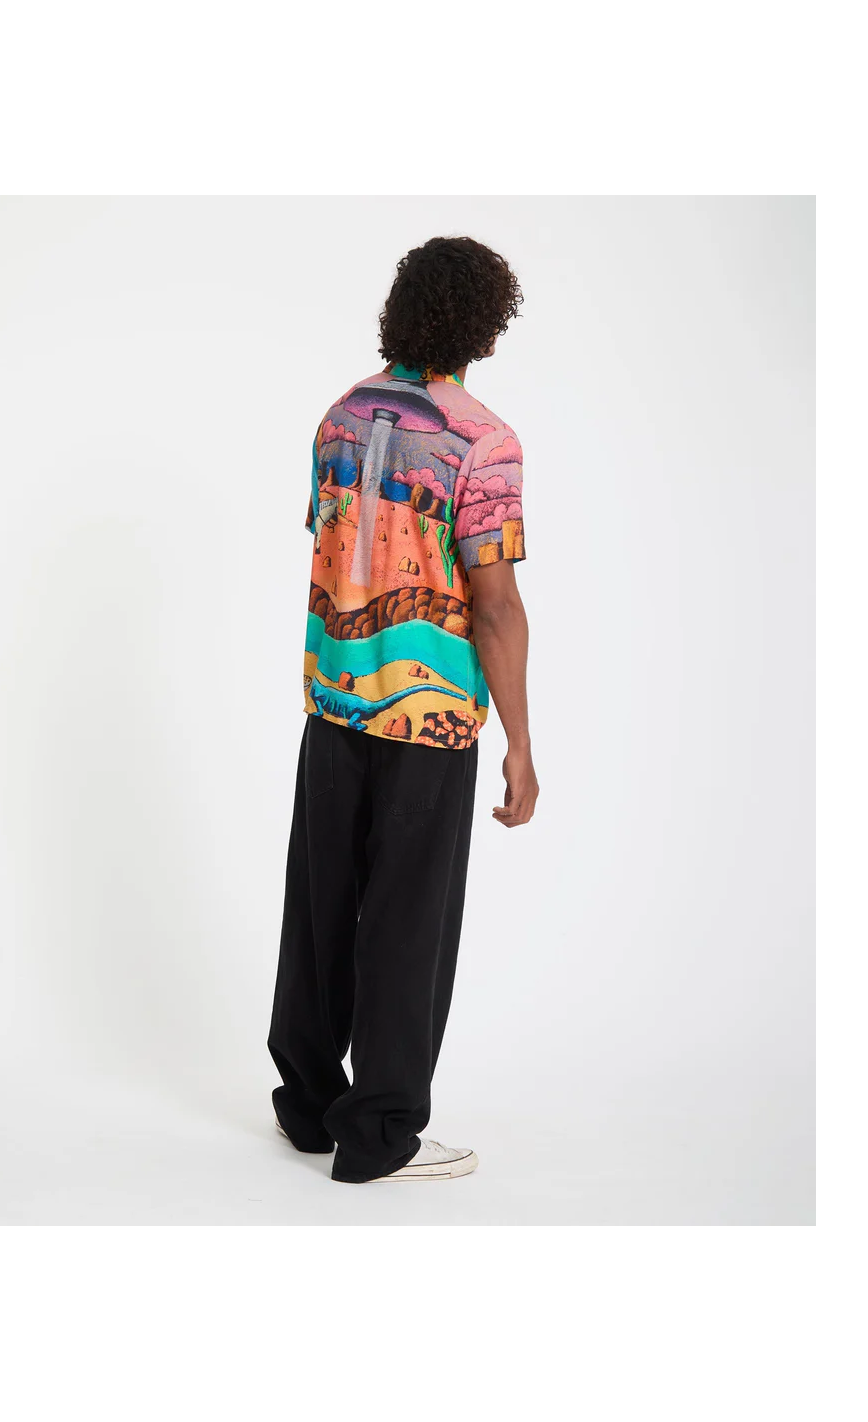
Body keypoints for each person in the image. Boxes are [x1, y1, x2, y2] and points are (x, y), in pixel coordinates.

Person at [268, 236, 539, 1183]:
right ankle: (379, 1134)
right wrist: (520, 742)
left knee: (320, 909)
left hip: (334, 702)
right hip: (427, 718)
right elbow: (494, 604)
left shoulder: (340, 416)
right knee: (406, 923)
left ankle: (308, 1106)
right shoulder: (484, 442)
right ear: (485, 330)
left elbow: (334, 541)